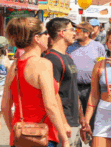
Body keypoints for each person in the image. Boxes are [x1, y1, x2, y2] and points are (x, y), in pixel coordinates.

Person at [2, 17, 70, 147]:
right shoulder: (42, 64)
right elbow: (50, 106)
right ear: (37, 38)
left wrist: (14, 132)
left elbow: (5, 106)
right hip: (43, 136)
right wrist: (64, 138)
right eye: (45, 33)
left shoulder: (15, 65)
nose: (48, 36)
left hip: (20, 137)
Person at [46, 18, 89, 147]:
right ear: (62, 33)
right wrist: (63, 123)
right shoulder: (52, 59)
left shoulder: (67, 56)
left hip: (73, 120)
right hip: (63, 122)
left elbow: (73, 89)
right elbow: (53, 95)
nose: (75, 33)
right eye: (72, 29)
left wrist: (81, 118)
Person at [68, 20, 107, 112]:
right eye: (75, 30)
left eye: (78, 30)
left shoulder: (98, 47)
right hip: (74, 87)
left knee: (91, 114)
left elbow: (102, 66)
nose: (75, 32)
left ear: (87, 33)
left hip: (92, 88)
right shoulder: (70, 47)